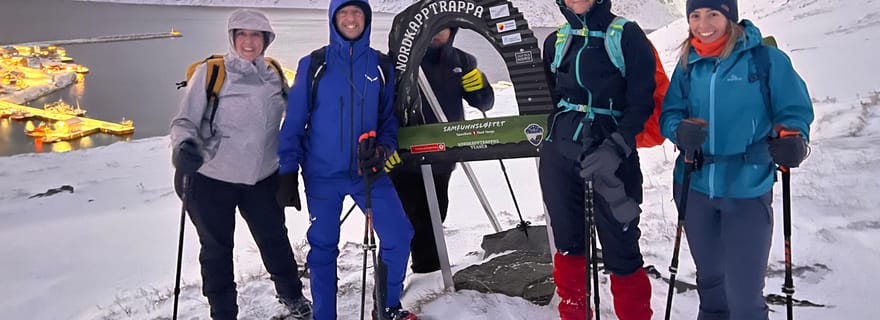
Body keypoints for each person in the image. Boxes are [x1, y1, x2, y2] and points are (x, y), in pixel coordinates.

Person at [660, 0, 813, 318]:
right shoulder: (689, 63)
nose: (704, 23)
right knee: (711, 286)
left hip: (747, 186)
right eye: (695, 15)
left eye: (713, 13)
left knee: (744, 295)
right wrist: (679, 131)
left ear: (730, 16)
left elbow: (793, 111)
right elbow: (671, 113)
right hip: (695, 185)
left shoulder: (764, 60)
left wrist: (794, 140)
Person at [275, 0, 417, 319]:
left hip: (368, 172)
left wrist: (382, 150)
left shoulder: (380, 65)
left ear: (366, 19)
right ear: (333, 19)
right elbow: (295, 121)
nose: (351, 19)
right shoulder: (314, 64)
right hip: (322, 175)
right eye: (344, 13)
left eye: (357, 13)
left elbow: (388, 121)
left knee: (398, 236)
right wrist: (287, 171)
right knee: (323, 248)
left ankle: (387, 306)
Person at [169, 9, 311, 320]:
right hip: (212, 179)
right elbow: (183, 122)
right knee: (217, 249)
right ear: (233, 38)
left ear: (266, 40)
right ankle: (223, 311)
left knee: (274, 239)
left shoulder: (273, 73)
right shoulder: (211, 73)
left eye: (256, 35)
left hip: (263, 178)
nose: (249, 41)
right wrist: (183, 148)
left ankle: (291, 295)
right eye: (242, 34)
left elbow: (298, 116)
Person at [539, 0, 656, 319]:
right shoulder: (556, 41)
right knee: (567, 243)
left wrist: (615, 146)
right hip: (560, 153)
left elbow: (641, 102)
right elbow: (554, 96)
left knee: (622, 246)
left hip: (612, 153)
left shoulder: (626, 35)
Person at [388, 27, 494, 274]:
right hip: (406, 156)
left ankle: (428, 270)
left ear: (453, 30)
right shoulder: (399, 60)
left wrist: (481, 87)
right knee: (411, 218)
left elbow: (483, 103)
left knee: (437, 211)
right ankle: (422, 271)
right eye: (432, 26)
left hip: (443, 155)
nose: (437, 33)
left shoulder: (463, 60)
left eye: (443, 28)